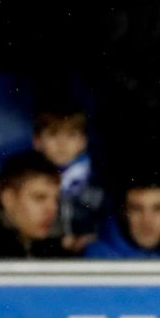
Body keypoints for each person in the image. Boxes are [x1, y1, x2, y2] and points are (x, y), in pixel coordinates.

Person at [32, 104, 105, 253]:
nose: (62, 144)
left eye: (71, 135)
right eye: (53, 135)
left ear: (82, 142)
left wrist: (92, 238)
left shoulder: (98, 182)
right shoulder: (28, 182)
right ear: (37, 142)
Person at [83, 178, 160, 260]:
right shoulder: (100, 255)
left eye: (158, 209)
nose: (147, 220)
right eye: (137, 209)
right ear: (124, 214)